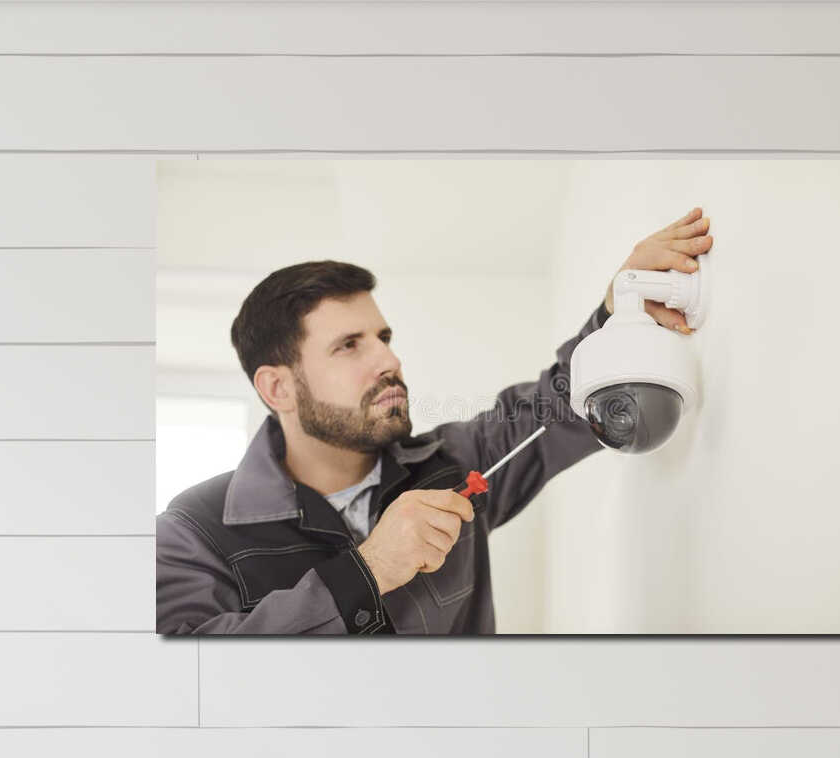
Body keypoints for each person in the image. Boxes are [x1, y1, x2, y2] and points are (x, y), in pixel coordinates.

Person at [155, 207, 714, 634]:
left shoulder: (455, 467)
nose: (388, 361)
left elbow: (554, 407)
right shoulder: (191, 530)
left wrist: (617, 315)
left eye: (384, 338)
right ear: (277, 387)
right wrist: (367, 570)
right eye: (349, 346)